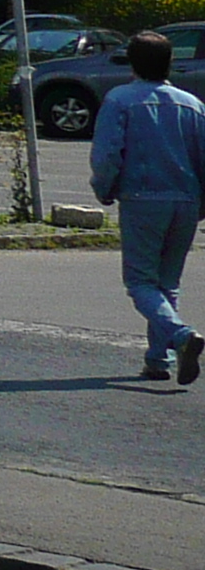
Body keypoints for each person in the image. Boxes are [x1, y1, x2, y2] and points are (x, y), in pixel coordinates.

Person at [88, 29, 205, 383]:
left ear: (132, 63)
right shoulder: (192, 104)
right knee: (167, 282)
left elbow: (108, 153)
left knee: (139, 281)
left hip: (142, 199)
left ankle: (181, 335)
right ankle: (159, 359)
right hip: (186, 200)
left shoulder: (120, 100)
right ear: (170, 62)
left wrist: (103, 188)